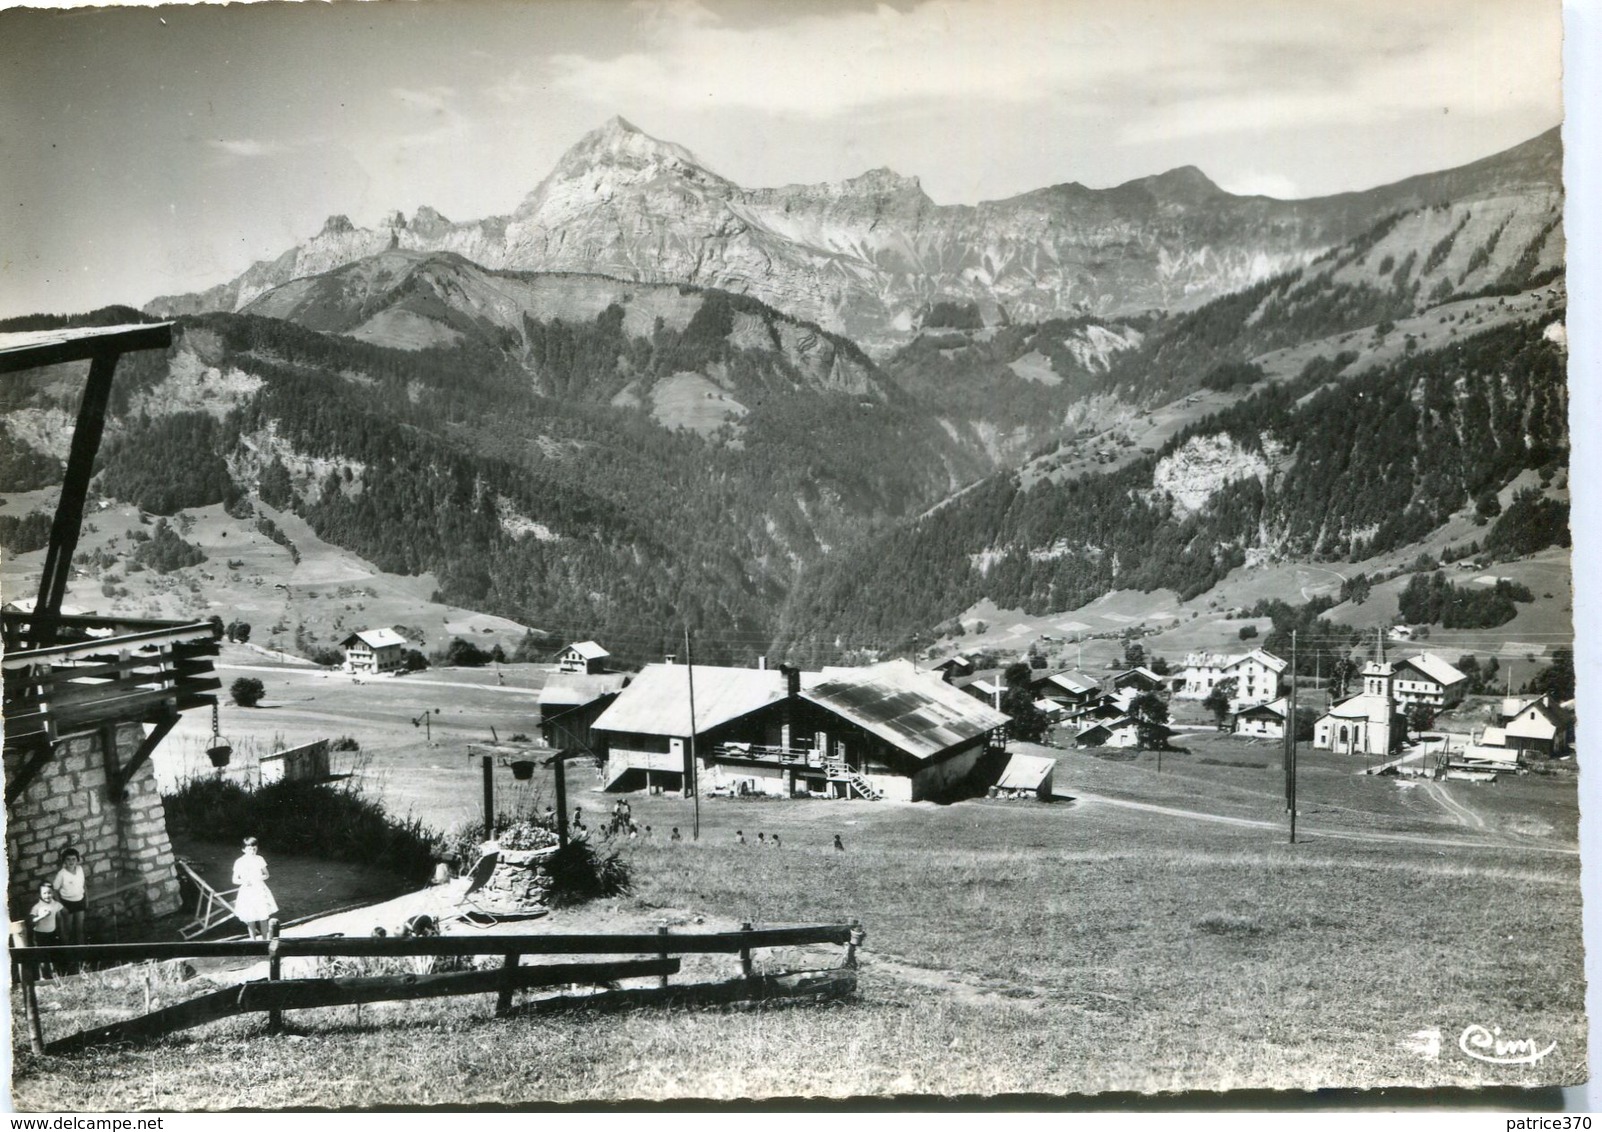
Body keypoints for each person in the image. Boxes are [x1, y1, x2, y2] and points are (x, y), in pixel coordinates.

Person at [231, 837, 279, 940]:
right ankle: (253, 942)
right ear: (243, 849)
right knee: (250, 917)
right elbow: (234, 879)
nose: (252, 851)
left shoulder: (259, 859)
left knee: (263, 917)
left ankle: (265, 940)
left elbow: (266, 874)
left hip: (259, 890)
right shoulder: (239, 862)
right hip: (247, 892)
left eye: (254, 849)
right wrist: (244, 881)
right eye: (249, 849)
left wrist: (259, 878)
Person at [52, 847, 87, 947]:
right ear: (64, 861)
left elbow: (84, 885)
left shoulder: (80, 869)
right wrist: (61, 907)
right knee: (68, 930)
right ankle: (68, 953)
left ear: (77, 860)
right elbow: (55, 890)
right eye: (68, 859)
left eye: (73, 859)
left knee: (80, 929)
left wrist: (86, 899)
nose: (71, 862)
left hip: (80, 902)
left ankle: (82, 953)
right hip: (67, 904)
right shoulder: (61, 874)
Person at [29, 882, 64, 978]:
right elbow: (32, 921)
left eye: (49, 893)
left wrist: (61, 932)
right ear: (39, 894)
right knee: (43, 958)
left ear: (53, 893)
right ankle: (44, 978)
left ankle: (56, 976)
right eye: (44, 893)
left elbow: (60, 916)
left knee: (54, 955)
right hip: (40, 935)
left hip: (52, 933)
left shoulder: (55, 904)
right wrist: (41, 916)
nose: (47, 895)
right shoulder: (37, 907)